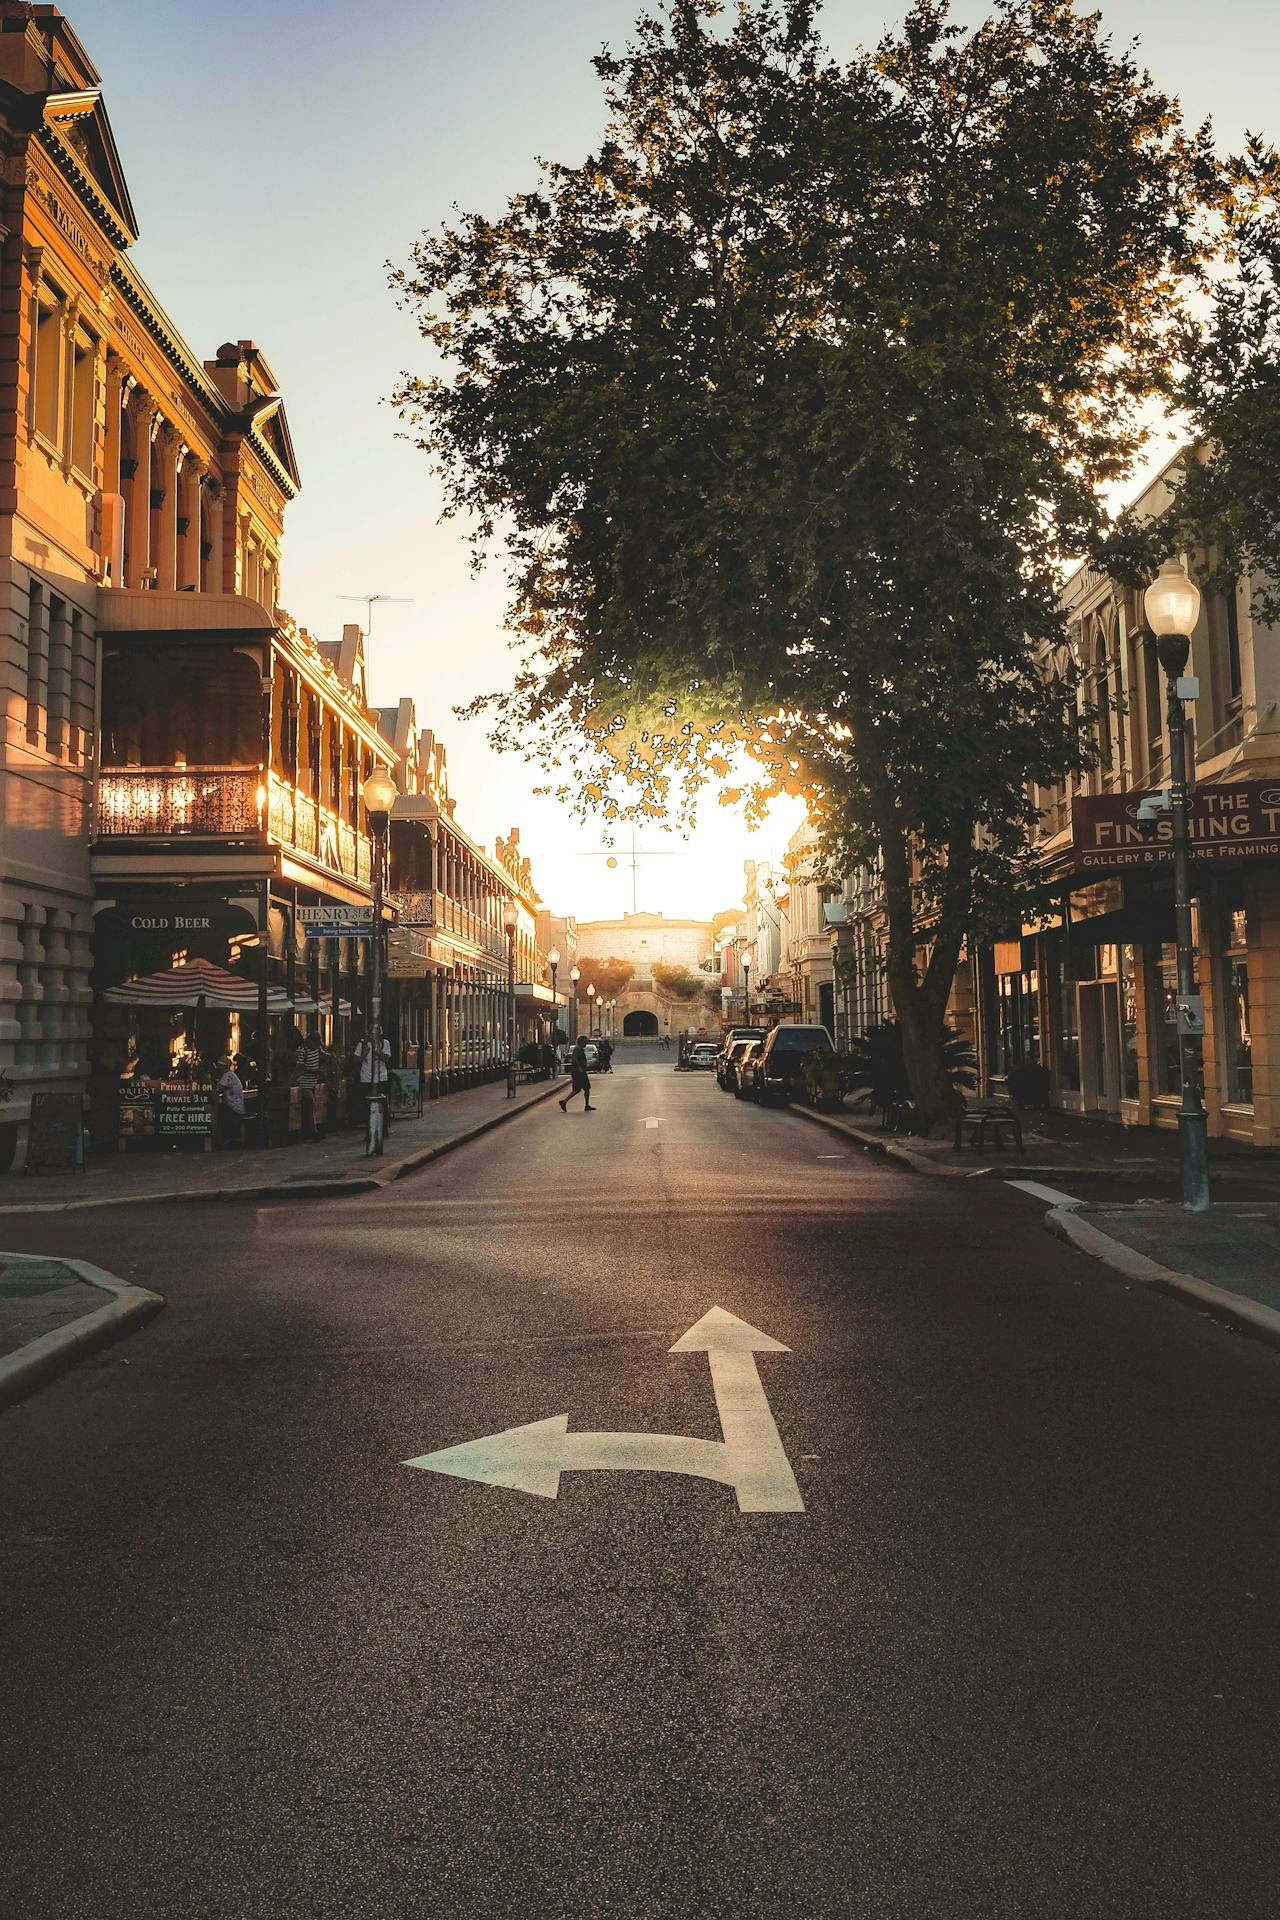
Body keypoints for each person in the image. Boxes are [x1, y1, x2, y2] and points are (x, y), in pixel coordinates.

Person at [355, 1025, 393, 1132]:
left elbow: (386, 1058)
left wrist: (378, 1052)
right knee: (367, 1104)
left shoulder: (385, 1043)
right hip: (366, 1078)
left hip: (381, 1077)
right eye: (372, 1033)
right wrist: (364, 1054)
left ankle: (383, 1128)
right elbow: (356, 1060)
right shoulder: (362, 1044)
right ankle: (370, 1129)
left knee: (382, 1103)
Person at [216, 1054, 246, 1149]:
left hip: (233, 1107)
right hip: (236, 1106)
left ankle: (225, 1139)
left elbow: (218, 1089)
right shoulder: (231, 1075)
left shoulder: (227, 1076)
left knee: (218, 1114)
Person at [559, 1035, 595, 1113]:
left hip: (579, 1071)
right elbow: (574, 1058)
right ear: (581, 1041)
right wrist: (579, 1067)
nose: (586, 1043)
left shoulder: (579, 1048)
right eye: (585, 1041)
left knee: (580, 1089)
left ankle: (585, 1104)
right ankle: (565, 1101)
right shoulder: (578, 1049)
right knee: (582, 1088)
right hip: (579, 1072)